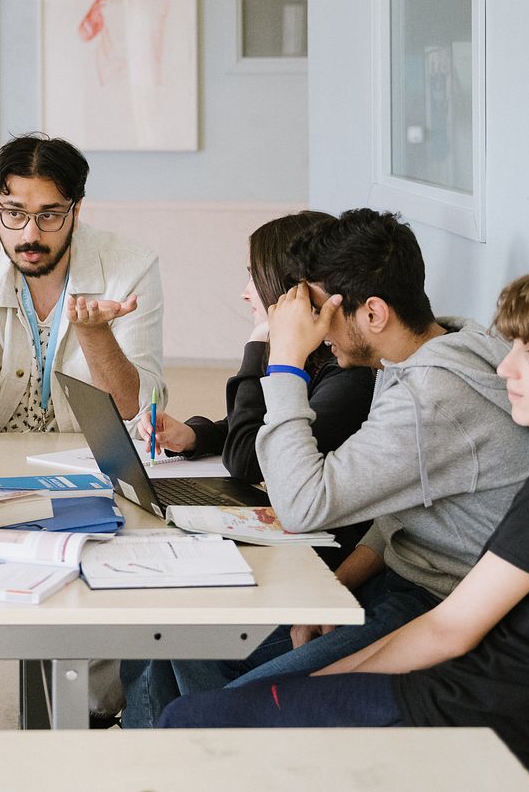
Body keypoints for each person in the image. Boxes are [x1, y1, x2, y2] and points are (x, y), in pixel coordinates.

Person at [161, 257, 529, 785]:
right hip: (518, 716)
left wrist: (317, 685)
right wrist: (318, 685)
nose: (506, 368)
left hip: (479, 721)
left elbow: (449, 631)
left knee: (191, 724)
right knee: (221, 700)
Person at [121, 208, 529, 728]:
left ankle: (214, 745)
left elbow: (301, 506)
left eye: (321, 311)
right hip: (401, 583)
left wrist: (285, 361)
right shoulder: (441, 349)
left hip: (440, 609)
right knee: (180, 641)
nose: (317, 330)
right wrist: (336, 586)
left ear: (373, 313)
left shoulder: (430, 398)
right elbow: (401, 510)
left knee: (212, 707)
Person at [120, 211, 377, 726]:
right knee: (153, 626)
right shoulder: (322, 364)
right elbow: (262, 428)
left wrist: (262, 344)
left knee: (177, 626)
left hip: (322, 562)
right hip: (300, 547)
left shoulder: (350, 380)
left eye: (252, 279)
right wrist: (197, 435)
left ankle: (171, 733)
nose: (244, 293)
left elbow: (246, 458)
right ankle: (150, 732)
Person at [0, 133, 164, 436]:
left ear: (76, 210)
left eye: (49, 215)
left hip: (84, 456)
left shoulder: (132, 268)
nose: (30, 235)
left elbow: (137, 417)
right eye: (14, 213)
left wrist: (96, 334)